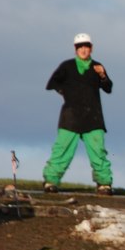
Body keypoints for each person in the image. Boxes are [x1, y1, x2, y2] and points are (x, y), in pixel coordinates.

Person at [43, 33, 114, 194]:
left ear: (91, 48)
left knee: (98, 152)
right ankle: (50, 181)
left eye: (86, 46)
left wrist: (102, 75)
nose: (83, 50)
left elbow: (108, 88)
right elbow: (52, 83)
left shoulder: (97, 66)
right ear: (75, 49)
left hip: (93, 118)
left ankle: (104, 183)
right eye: (80, 47)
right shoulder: (67, 66)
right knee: (62, 150)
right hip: (71, 117)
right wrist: (64, 92)